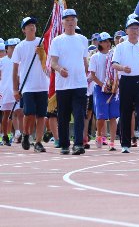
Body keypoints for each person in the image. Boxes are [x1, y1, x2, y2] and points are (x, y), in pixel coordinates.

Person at [49, 9, 90, 155]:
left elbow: (85, 61)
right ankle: (65, 144)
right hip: (63, 85)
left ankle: (78, 144)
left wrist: (87, 74)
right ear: (62, 22)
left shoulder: (83, 39)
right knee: (64, 115)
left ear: (76, 21)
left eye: (73, 19)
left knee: (79, 114)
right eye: (67, 19)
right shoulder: (57, 40)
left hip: (80, 84)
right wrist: (60, 70)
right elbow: (53, 62)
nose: (70, 22)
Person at [112, 17, 139, 153]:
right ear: (127, 30)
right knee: (125, 113)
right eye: (132, 28)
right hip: (126, 81)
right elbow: (114, 64)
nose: (135, 31)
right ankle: (125, 144)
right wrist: (123, 68)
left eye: (137, 28)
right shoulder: (120, 47)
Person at [13, 18, 50, 153]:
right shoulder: (20, 47)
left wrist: (42, 53)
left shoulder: (42, 42)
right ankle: (26, 134)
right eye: (28, 26)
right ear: (23, 30)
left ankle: (38, 142)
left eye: (33, 25)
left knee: (41, 115)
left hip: (42, 85)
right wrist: (15, 89)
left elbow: (49, 60)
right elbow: (15, 69)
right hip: (27, 86)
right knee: (29, 114)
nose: (31, 27)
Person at [88, 32, 120, 151]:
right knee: (101, 117)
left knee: (113, 116)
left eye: (108, 41)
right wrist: (102, 85)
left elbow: (117, 72)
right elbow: (92, 74)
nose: (107, 43)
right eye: (104, 41)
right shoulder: (95, 57)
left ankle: (112, 141)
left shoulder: (114, 56)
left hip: (113, 89)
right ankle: (99, 135)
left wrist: (115, 85)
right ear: (99, 43)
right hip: (100, 89)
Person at [1, 39, 23, 146]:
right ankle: (5, 136)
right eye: (11, 47)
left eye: (15, 47)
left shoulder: (20, 61)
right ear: (6, 49)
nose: (14, 49)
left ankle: (20, 134)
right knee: (6, 114)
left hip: (16, 90)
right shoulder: (2, 61)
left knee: (19, 112)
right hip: (5, 91)